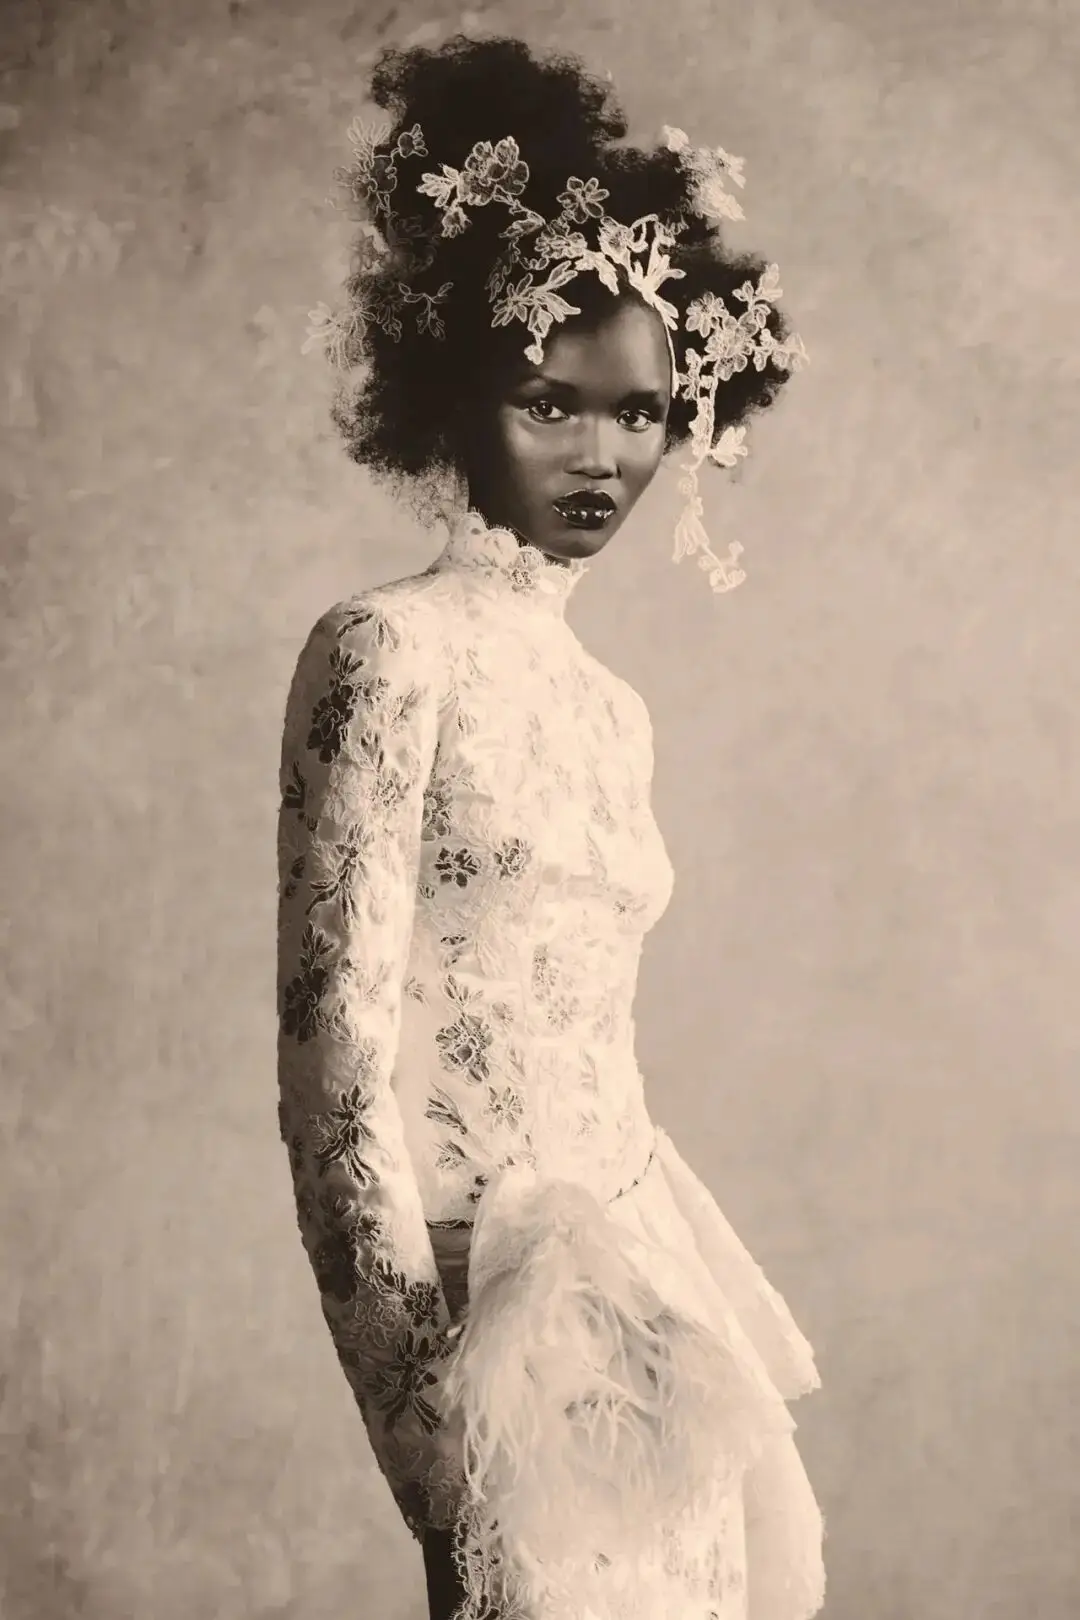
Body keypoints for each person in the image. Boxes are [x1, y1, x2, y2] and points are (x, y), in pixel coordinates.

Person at [278, 32, 824, 1620]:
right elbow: (332, 1083)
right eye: (550, 403)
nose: (602, 456)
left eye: (640, 412)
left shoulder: (612, 709)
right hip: (483, 1325)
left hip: (649, 1308)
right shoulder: (387, 648)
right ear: (460, 396)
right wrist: (429, 1438)